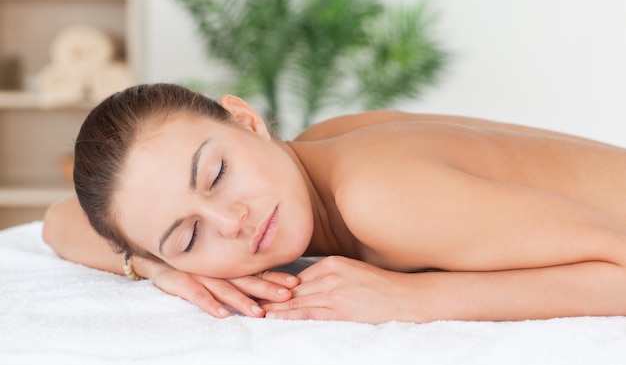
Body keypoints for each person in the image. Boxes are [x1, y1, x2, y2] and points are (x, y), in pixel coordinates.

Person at [43, 82, 626, 324]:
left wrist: (417, 298)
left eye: (217, 174)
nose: (232, 222)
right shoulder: (320, 146)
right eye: (190, 235)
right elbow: (57, 221)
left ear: (247, 119)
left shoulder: (377, 196)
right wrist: (157, 267)